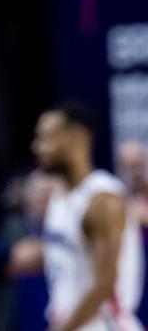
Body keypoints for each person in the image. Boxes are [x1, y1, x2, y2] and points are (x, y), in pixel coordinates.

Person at [20, 104, 144, 331]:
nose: (37, 147)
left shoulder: (102, 199)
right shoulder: (60, 195)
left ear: (76, 139)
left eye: (45, 138)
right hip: (73, 322)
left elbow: (105, 284)